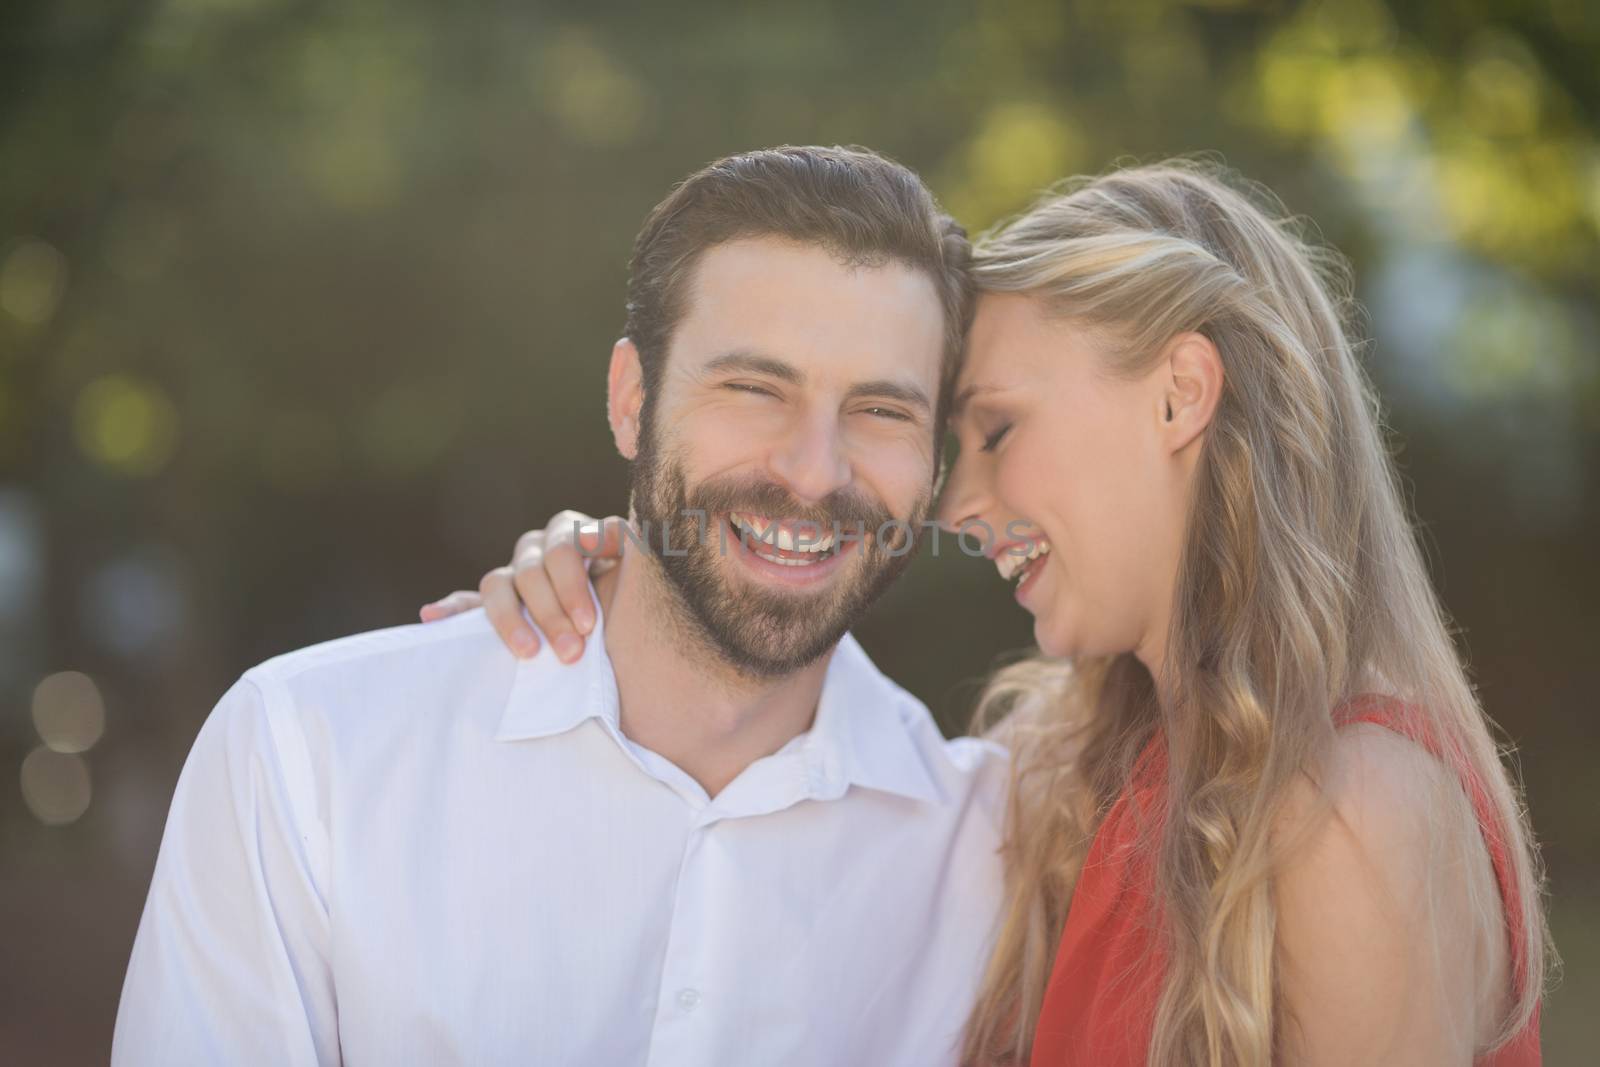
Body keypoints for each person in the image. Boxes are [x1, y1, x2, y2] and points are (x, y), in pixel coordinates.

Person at [427, 161, 1549, 1065]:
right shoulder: (1063, 778)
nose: (956, 502)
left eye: (997, 429)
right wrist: (629, 569)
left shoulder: (1351, 811)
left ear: (1179, 393)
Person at [112, 146, 1012, 1066]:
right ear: (631, 400)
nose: (814, 470)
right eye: (753, 388)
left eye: (882, 411)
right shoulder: (310, 753)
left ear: (935, 457)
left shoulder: (997, 857)